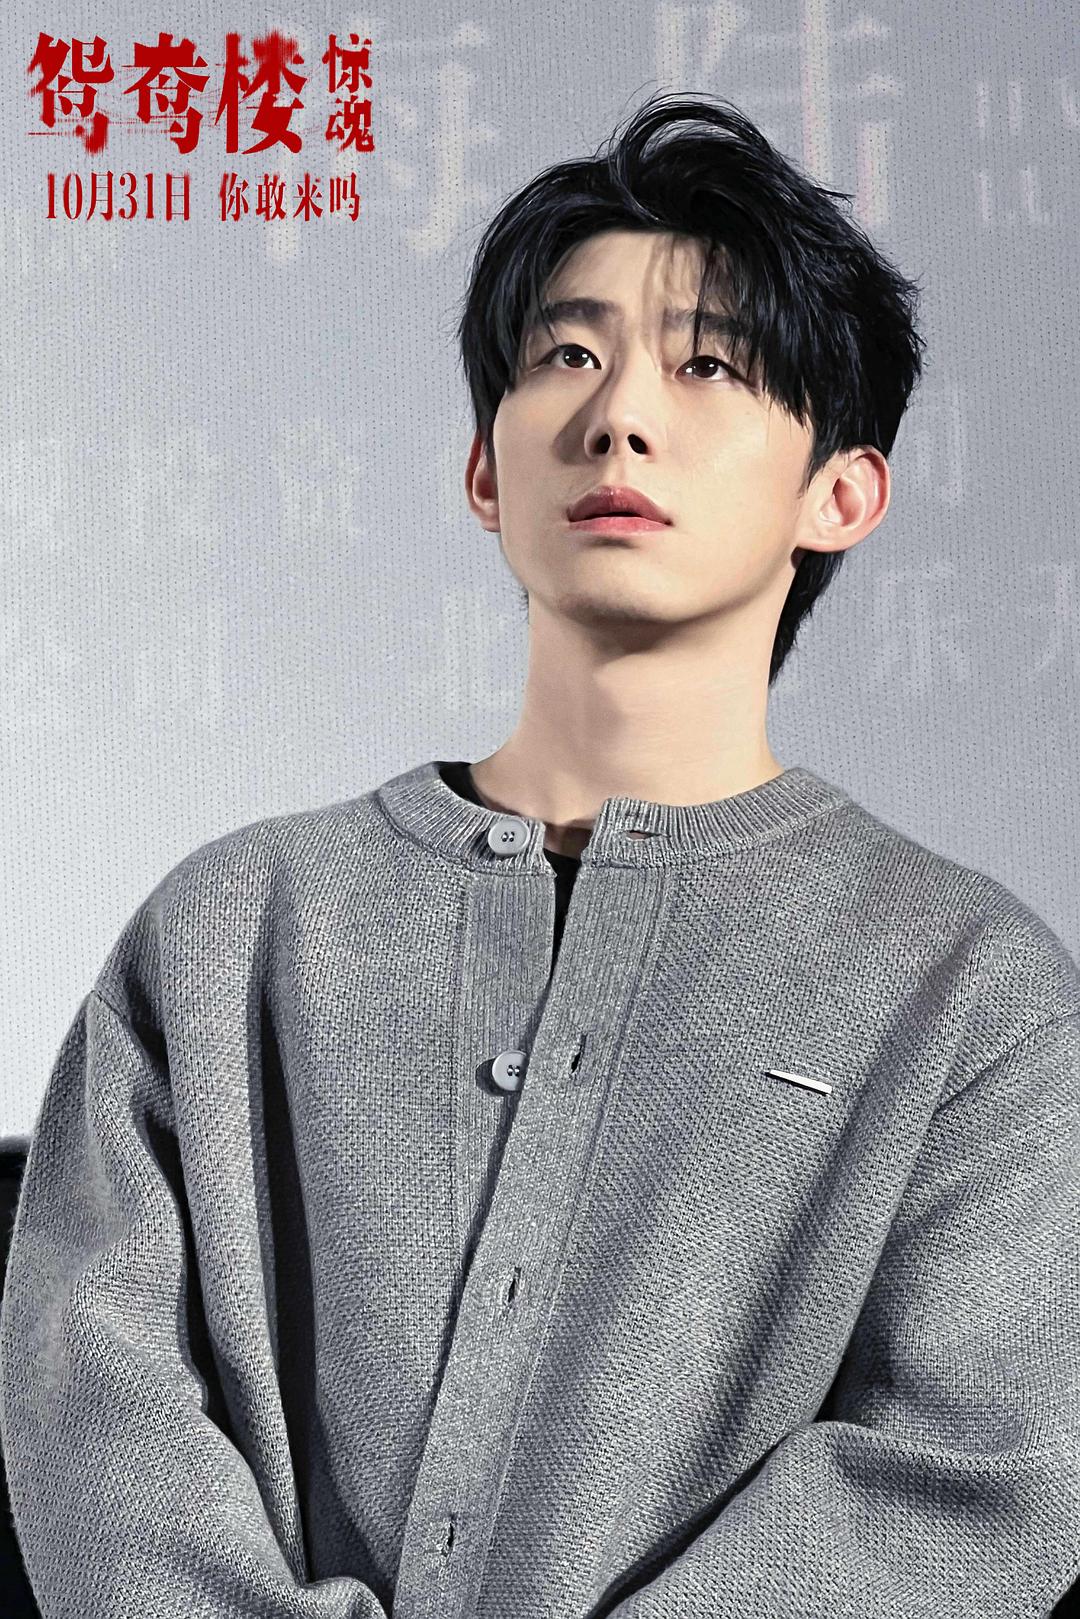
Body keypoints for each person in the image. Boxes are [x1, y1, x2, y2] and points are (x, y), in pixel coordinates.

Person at [1, 91, 1078, 1619]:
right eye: (567, 355)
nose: (619, 416)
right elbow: (96, 1414)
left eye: (707, 365)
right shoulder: (231, 932)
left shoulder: (974, 996)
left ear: (840, 492)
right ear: (485, 472)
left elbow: (967, 1484)